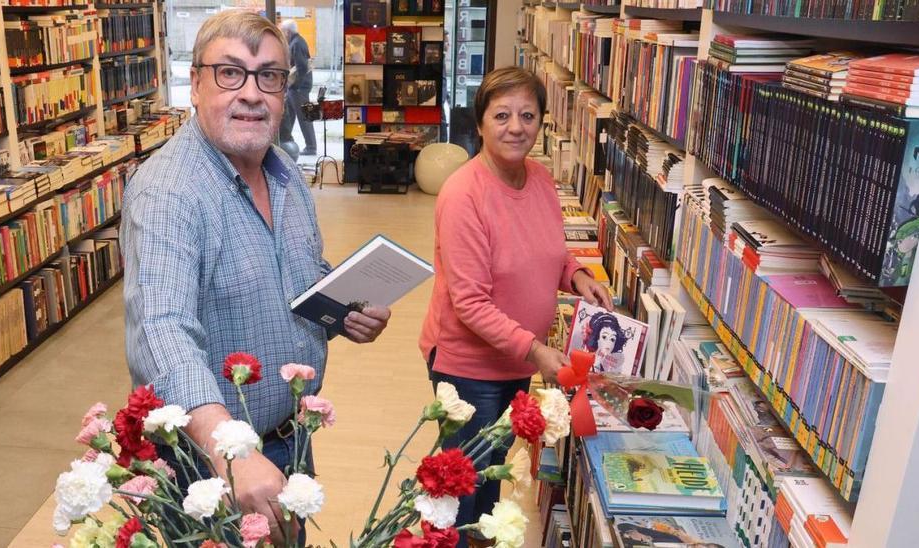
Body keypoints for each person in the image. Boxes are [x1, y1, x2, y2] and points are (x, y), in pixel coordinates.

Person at [121, 9, 391, 542]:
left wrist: (343, 309)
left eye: (269, 75)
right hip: (211, 462)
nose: (251, 93)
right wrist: (234, 450)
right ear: (194, 84)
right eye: (229, 72)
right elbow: (161, 333)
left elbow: (299, 271)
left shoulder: (283, 169)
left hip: (290, 440)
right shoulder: (167, 193)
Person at [418, 66, 613, 547]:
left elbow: (550, 251)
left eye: (528, 115)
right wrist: (538, 353)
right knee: (464, 495)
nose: (516, 127)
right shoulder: (464, 195)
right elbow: (469, 304)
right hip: (470, 370)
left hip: (515, 362)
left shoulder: (542, 179)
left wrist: (578, 275)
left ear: (542, 122)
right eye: (501, 115)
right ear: (480, 123)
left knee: (491, 479)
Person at [277, 19, 316, 156]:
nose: (282, 33)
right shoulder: (297, 41)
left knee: (304, 116)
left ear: (287, 32)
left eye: (282, 30)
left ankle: (311, 147)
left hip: (299, 87)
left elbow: (302, 66)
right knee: (289, 115)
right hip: (296, 87)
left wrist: (297, 85)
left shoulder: (297, 43)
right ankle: (284, 140)